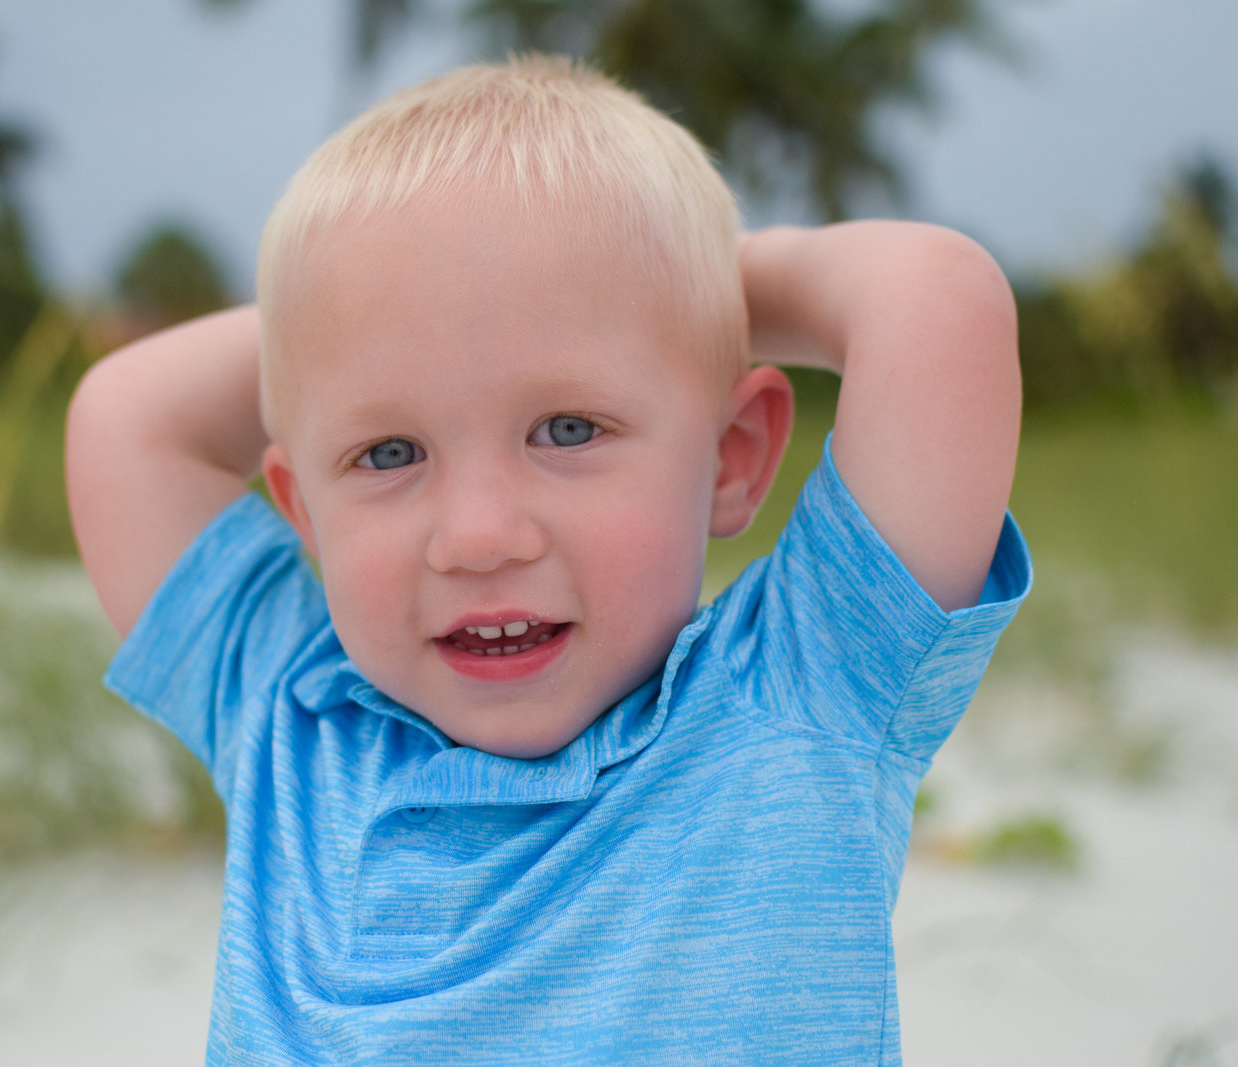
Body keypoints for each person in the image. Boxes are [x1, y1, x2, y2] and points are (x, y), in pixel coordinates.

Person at [65, 55, 1031, 1065]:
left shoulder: (801, 693)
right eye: (388, 453)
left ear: (730, 457)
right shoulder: (295, 721)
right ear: (302, 509)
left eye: (567, 428)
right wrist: (356, 302)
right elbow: (124, 420)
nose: (479, 537)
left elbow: (938, 300)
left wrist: (686, 281)